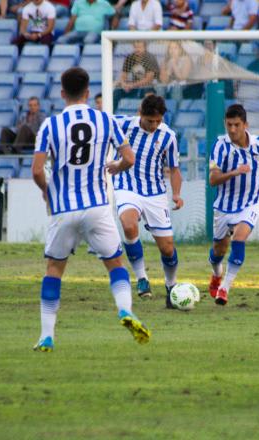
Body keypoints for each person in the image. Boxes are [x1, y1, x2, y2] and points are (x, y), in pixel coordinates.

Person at [31, 67, 150, 351]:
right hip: (97, 206)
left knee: (54, 269)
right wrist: (116, 167)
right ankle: (125, 311)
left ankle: (47, 336)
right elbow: (129, 158)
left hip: (64, 209)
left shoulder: (50, 125)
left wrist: (48, 192)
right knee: (115, 264)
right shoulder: (105, 120)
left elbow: (37, 170)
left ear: (62, 94)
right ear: (87, 92)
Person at [207, 104, 259, 306]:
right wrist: (234, 172)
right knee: (218, 251)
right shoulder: (220, 146)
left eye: (236, 125)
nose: (232, 130)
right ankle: (216, 274)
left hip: (251, 203)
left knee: (240, 238)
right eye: (229, 125)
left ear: (245, 125)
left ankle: (224, 288)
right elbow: (213, 179)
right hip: (224, 206)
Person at [112, 95, 183, 307]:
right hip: (127, 186)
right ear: (140, 114)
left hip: (155, 193)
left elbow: (175, 169)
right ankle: (142, 278)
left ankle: (171, 285)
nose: (153, 125)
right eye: (149, 120)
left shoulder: (168, 136)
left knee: (167, 248)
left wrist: (177, 194)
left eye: (157, 121)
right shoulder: (123, 124)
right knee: (128, 224)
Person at [114, 41, 159, 107]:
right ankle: (111, 112)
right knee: (117, 90)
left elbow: (148, 79)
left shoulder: (150, 58)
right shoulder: (130, 57)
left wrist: (132, 85)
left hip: (149, 86)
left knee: (148, 90)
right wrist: (124, 84)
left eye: (140, 47)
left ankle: (147, 114)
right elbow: (123, 75)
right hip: (134, 85)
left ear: (145, 47)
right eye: (135, 47)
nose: (137, 49)